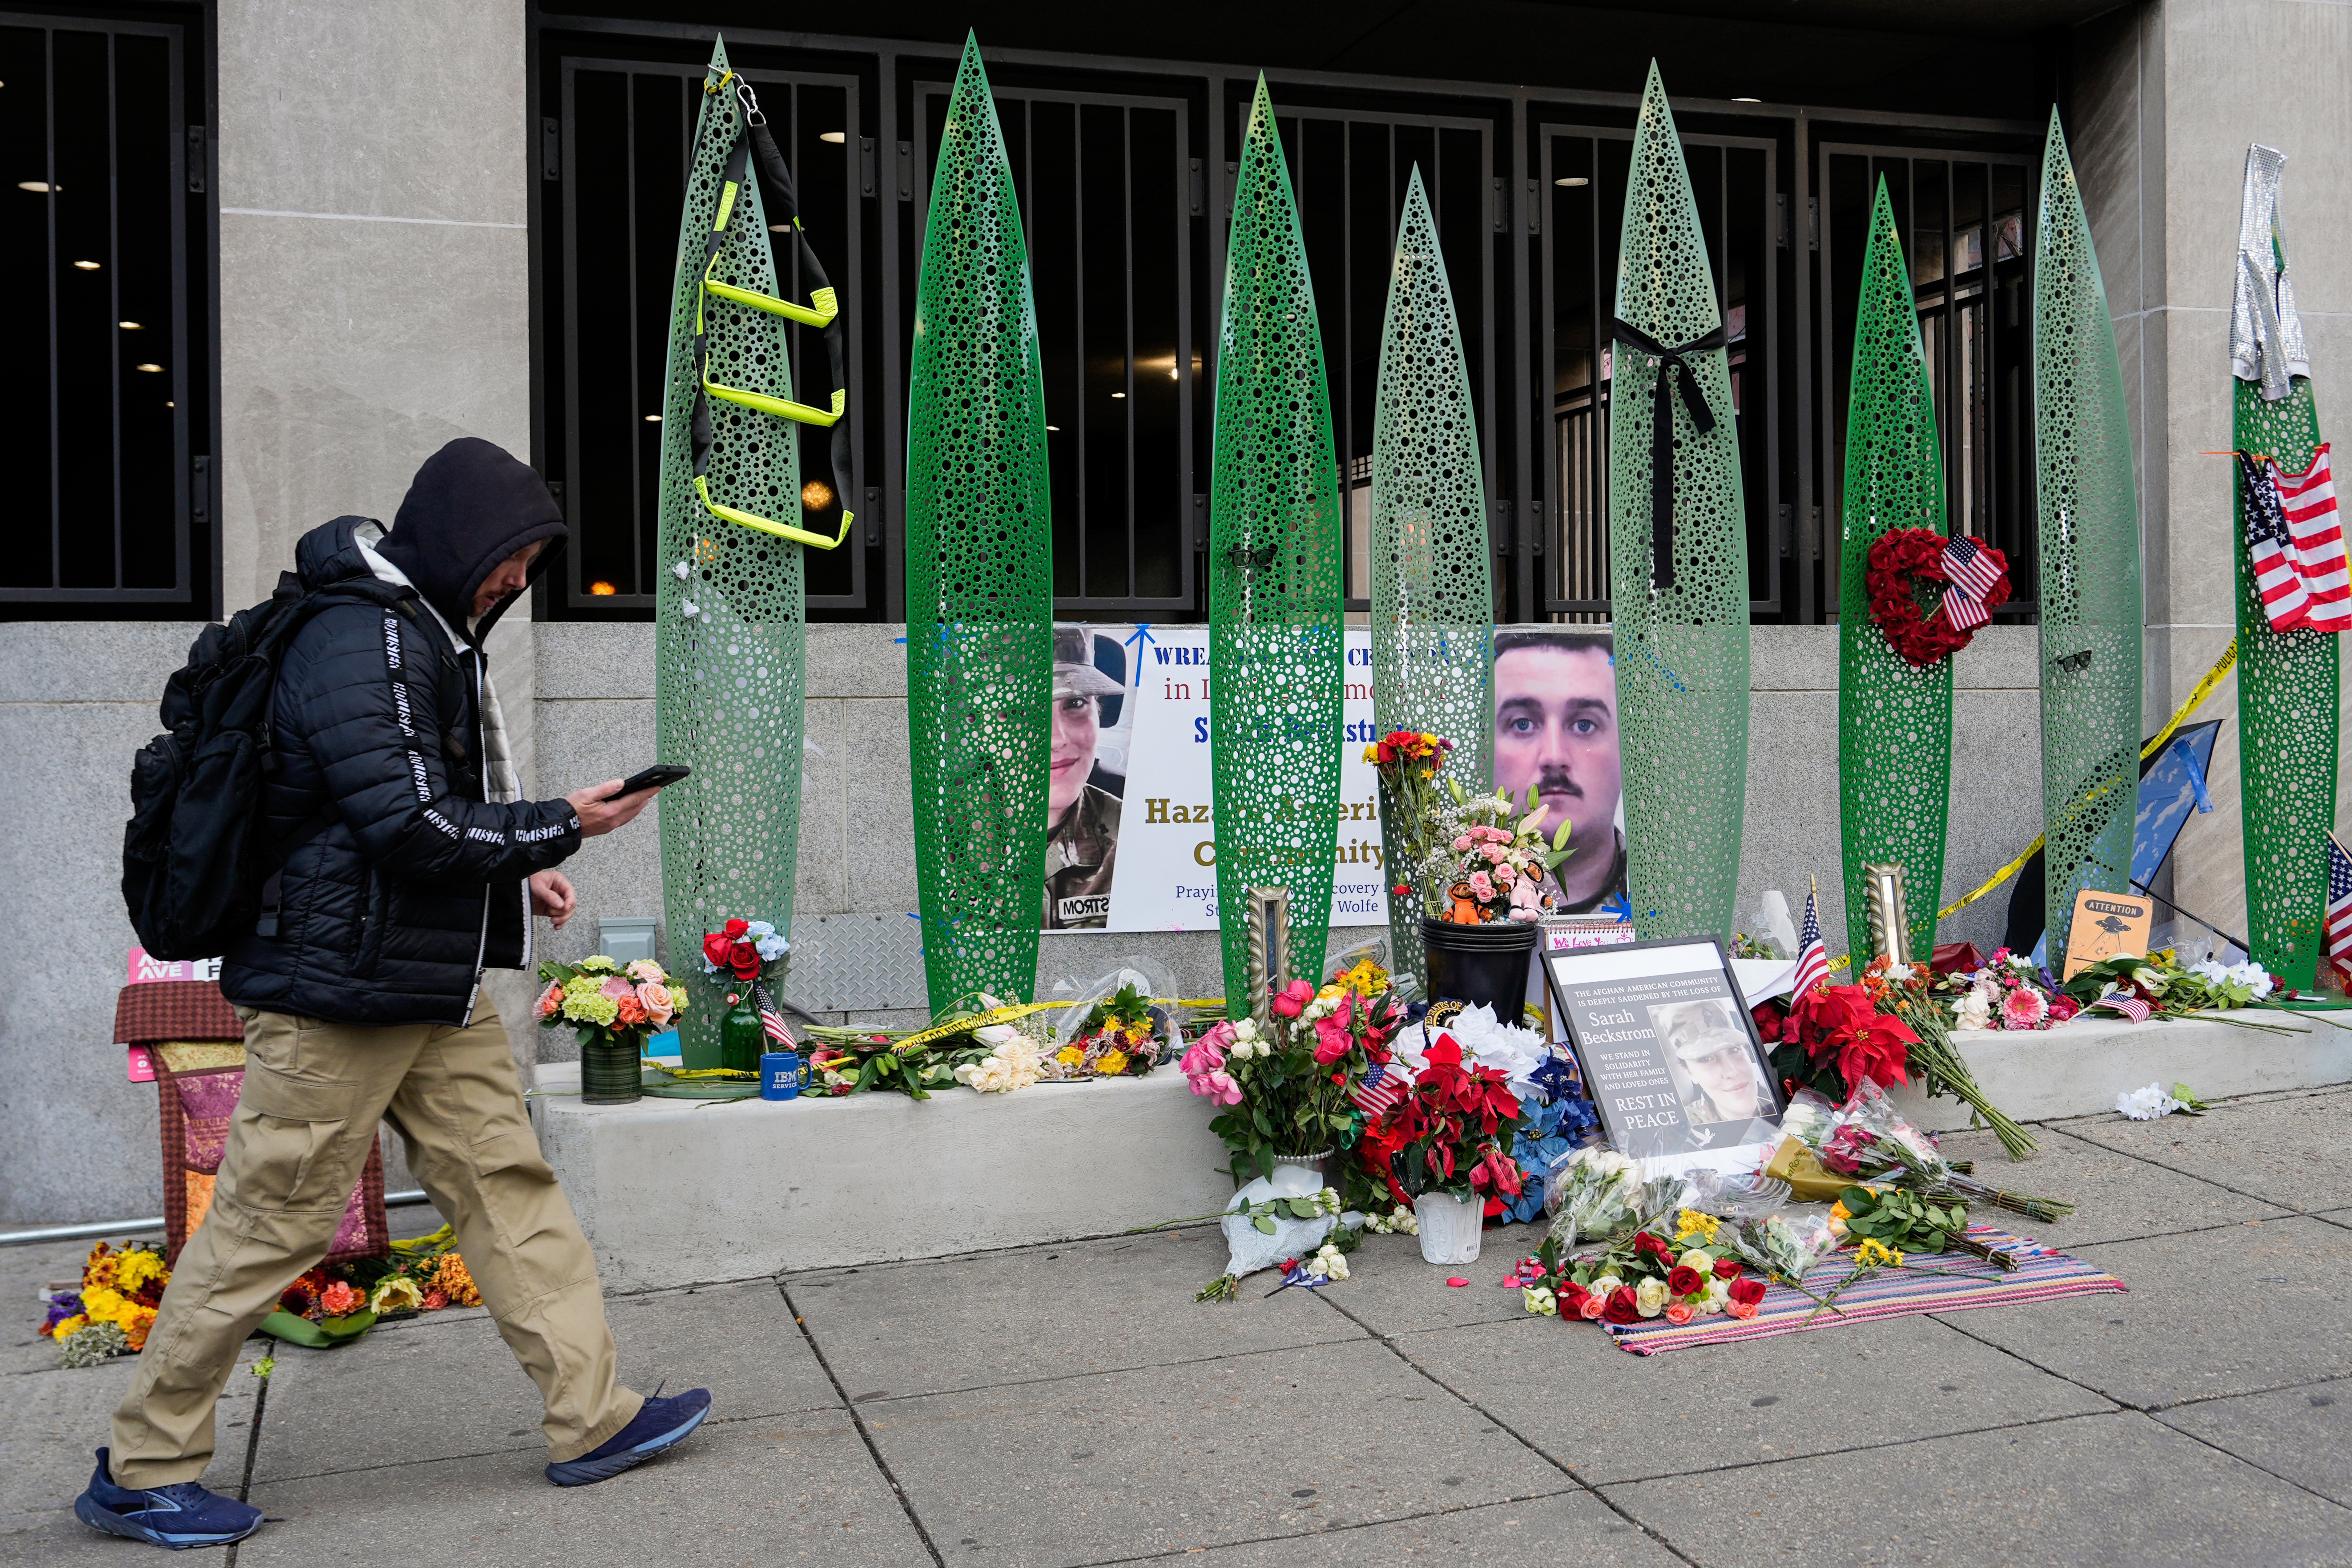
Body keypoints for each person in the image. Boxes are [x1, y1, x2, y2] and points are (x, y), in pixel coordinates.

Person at [77, 439, 709, 1553]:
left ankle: (592, 1416)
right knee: (269, 1223)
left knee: (506, 1187)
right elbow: (406, 823)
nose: (516, 582)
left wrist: (521, 859)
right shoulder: (361, 634)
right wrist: (564, 819)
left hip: (421, 979)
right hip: (338, 992)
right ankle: (145, 1465)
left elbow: (414, 813)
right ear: (461, 540)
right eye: (510, 559)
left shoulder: (417, 629)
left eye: (528, 564)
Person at [1491, 629, 1627, 914]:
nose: (1554, 757)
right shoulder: (1454, 894)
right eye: (1523, 724)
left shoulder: (1666, 897)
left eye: (1585, 725)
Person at [1042, 626, 1125, 929]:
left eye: (1075, 703)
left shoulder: (1134, 836)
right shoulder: (943, 840)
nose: (1056, 738)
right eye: (1022, 710)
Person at [1654, 1000, 1774, 1136]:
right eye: (1705, 1058)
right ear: (1689, 1072)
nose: (1732, 1072)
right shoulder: (1679, 1133)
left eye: (1734, 1050)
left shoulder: (1790, 1110)